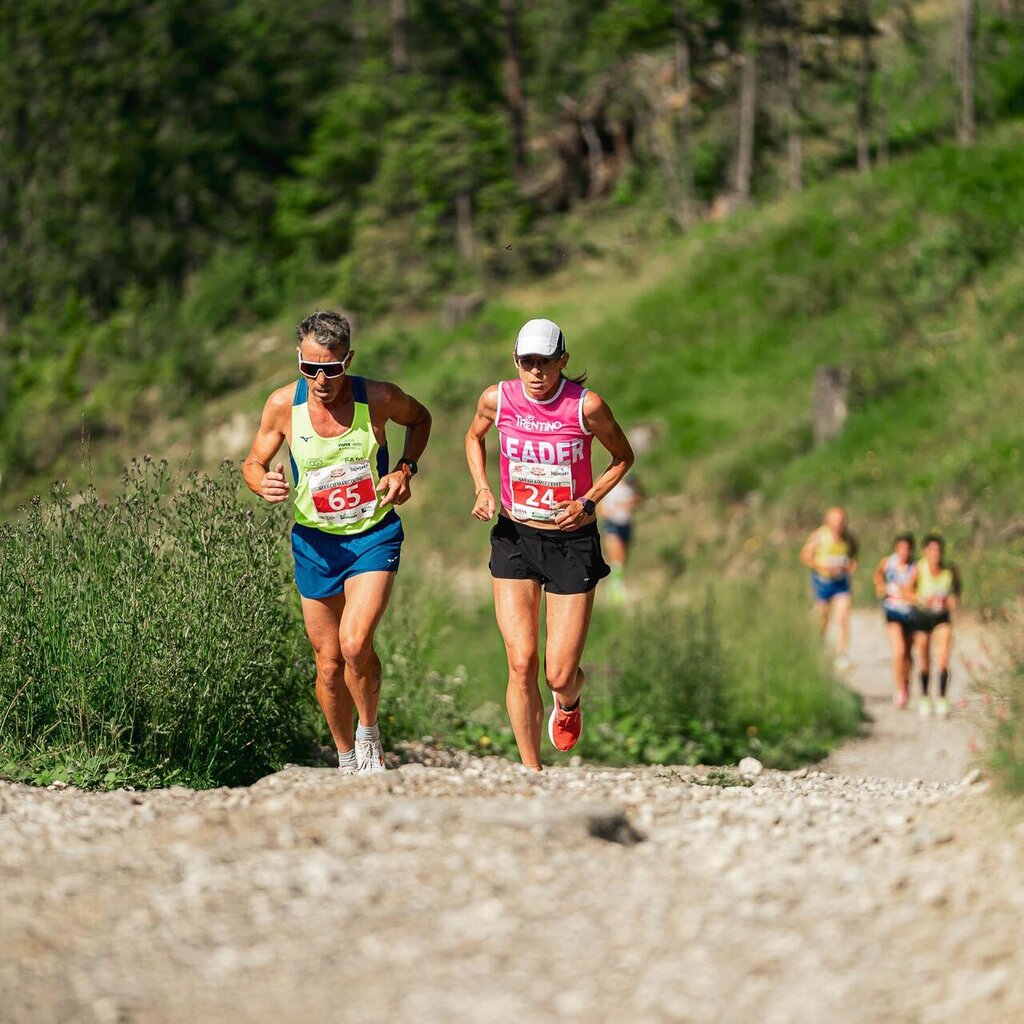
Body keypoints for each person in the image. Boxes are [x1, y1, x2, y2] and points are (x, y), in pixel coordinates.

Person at [242, 310, 431, 773]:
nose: (321, 379)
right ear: (298, 361)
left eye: (331, 367)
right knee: (327, 664)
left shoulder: (380, 397)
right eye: (310, 368)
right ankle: (345, 756)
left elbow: (421, 419)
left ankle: (369, 735)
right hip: (316, 543)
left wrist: (404, 469)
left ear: (349, 359)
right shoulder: (283, 405)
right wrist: (261, 482)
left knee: (353, 643)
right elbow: (252, 461)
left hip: (372, 534)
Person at [465, 318, 634, 769]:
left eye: (545, 362)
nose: (536, 372)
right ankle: (530, 770)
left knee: (558, 674)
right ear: (516, 361)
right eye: (527, 362)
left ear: (563, 360)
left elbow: (623, 456)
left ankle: (569, 701)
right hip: (515, 535)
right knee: (521, 662)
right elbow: (473, 436)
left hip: (569, 541)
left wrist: (588, 501)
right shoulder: (497, 398)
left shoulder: (587, 406)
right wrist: (483, 487)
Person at [799, 506, 858, 671]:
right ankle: (820, 646)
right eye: (836, 522)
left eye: (842, 522)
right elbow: (804, 556)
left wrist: (851, 566)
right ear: (828, 522)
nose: (839, 525)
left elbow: (854, 554)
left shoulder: (848, 537)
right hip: (822, 583)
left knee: (843, 616)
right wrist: (821, 567)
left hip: (841, 583)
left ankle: (842, 654)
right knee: (823, 618)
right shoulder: (819, 536)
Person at [913, 533, 962, 718]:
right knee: (924, 658)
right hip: (922, 617)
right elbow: (907, 590)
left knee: (943, 658)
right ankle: (925, 697)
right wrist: (921, 599)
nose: (936, 554)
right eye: (932, 550)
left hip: (942, 617)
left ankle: (942, 697)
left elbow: (956, 589)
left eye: (938, 550)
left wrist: (953, 600)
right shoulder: (918, 568)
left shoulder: (950, 569)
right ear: (925, 551)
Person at [873, 534, 918, 710]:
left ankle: (906, 684)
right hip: (892, 612)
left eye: (907, 549)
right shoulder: (888, 562)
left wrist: (908, 593)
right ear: (895, 549)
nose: (904, 552)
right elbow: (877, 574)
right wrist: (879, 585)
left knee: (908, 654)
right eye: (900, 548)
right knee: (898, 651)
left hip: (911, 613)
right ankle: (900, 689)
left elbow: (916, 589)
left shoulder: (916, 567)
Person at [598, 474, 643, 603]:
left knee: (622, 559)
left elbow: (640, 497)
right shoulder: (606, 476)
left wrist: (631, 502)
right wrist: (601, 511)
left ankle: (614, 586)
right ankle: (616, 588)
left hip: (626, 523)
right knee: (618, 554)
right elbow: (594, 496)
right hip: (611, 523)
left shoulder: (632, 480)